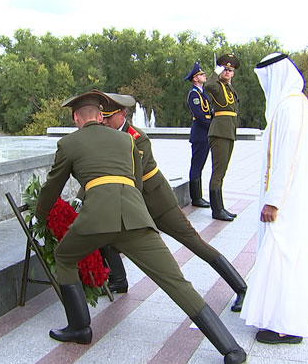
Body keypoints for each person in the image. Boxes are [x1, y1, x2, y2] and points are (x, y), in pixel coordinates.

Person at [36, 90, 246, 364]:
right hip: (136, 218)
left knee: (64, 257)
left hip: (95, 221)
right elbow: (135, 182)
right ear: (100, 116)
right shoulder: (126, 140)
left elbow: (52, 188)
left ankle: (80, 328)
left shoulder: (68, 143)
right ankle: (231, 349)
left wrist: (41, 216)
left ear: (76, 118)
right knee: (176, 282)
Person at [95, 92, 247, 311]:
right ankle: (118, 280)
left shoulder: (138, 139)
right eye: (102, 117)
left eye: (108, 117)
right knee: (104, 231)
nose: (104, 121)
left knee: (195, 243)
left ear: (122, 114)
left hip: (158, 204)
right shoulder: (105, 135)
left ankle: (241, 288)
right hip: (135, 206)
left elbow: (132, 181)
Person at [241, 53, 308, 344]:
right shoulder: (295, 104)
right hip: (292, 198)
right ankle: (278, 316)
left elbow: (286, 159)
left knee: (284, 253)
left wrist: (273, 201)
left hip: (287, 202)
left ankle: (285, 324)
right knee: (285, 254)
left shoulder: (289, 107)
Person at [205, 53, 240, 221]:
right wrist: (216, 72)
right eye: (225, 69)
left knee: (222, 171)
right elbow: (208, 85)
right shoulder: (217, 85)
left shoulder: (229, 88)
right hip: (219, 132)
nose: (228, 72)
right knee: (217, 172)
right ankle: (216, 210)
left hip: (229, 132)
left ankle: (221, 207)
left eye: (230, 70)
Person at [185, 61, 213, 208]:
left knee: (200, 165)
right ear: (195, 78)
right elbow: (200, 115)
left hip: (205, 133)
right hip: (200, 133)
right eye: (201, 74)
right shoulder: (194, 94)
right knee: (196, 165)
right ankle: (196, 198)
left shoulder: (203, 94)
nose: (204, 76)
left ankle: (199, 196)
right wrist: (212, 126)